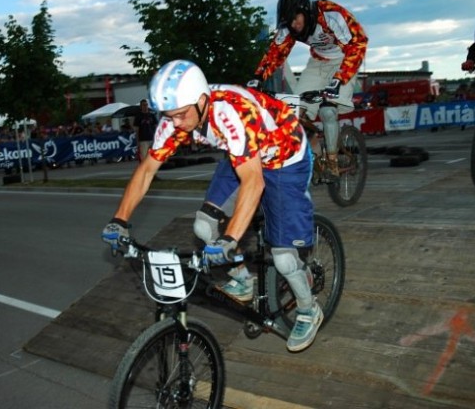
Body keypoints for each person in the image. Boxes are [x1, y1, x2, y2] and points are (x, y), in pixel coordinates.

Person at [101, 60, 322, 352]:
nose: (175, 123)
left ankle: (308, 308)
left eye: (180, 115)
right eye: (169, 116)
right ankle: (243, 280)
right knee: (204, 226)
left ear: (202, 101)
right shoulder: (178, 115)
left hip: (284, 158)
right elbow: (146, 171)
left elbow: (254, 183)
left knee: (282, 257)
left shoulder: (232, 112)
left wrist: (231, 239)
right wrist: (120, 220)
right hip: (241, 154)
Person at [251, 0, 367, 177]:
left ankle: (332, 161)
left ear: (307, 12)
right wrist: (257, 78)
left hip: (344, 60)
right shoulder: (289, 27)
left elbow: (357, 44)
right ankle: (313, 153)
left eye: (296, 19)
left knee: (328, 109)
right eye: (289, 22)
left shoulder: (331, 14)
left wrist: (338, 80)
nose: (294, 25)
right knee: (294, 113)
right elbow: (276, 53)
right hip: (318, 63)